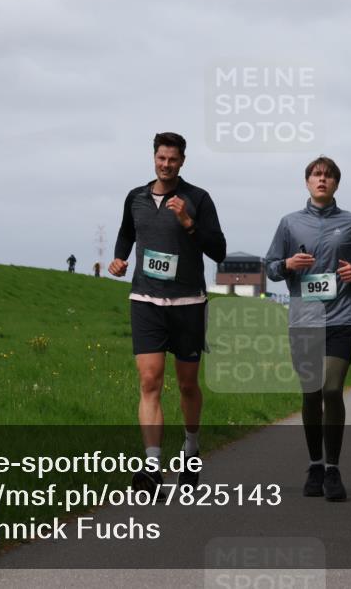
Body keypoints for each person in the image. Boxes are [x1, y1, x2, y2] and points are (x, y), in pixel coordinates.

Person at [109, 132, 227, 492]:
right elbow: (127, 233)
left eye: (172, 159)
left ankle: (191, 449)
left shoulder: (198, 199)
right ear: (154, 158)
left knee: (188, 384)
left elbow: (219, 251)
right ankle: (151, 468)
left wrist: (189, 223)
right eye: (161, 158)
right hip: (146, 300)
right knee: (149, 381)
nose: (166, 164)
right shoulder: (136, 198)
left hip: (188, 303)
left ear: (182, 161)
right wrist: (120, 258)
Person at [265, 156, 351, 502]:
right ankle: (315, 464)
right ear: (307, 182)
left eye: (328, 176)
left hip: (342, 316)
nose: (322, 180)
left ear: (336, 184)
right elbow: (269, 267)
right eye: (316, 175)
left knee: (331, 389)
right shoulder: (289, 224)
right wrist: (287, 264)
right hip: (304, 320)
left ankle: (333, 469)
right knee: (311, 394)